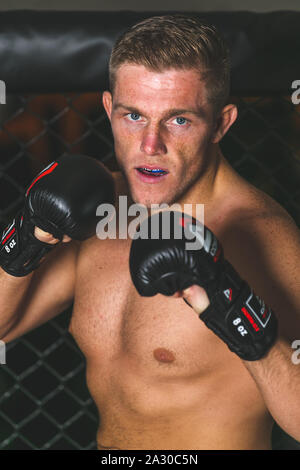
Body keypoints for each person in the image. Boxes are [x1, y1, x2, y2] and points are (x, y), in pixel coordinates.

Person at [1, 14, 300, 450]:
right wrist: (25, 237)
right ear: (109, 109)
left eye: (178, 120)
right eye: (134, 116)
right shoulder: (99, 212)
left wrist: (231, 307)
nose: (149, 144)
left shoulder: (262, 237)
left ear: (221, 123)